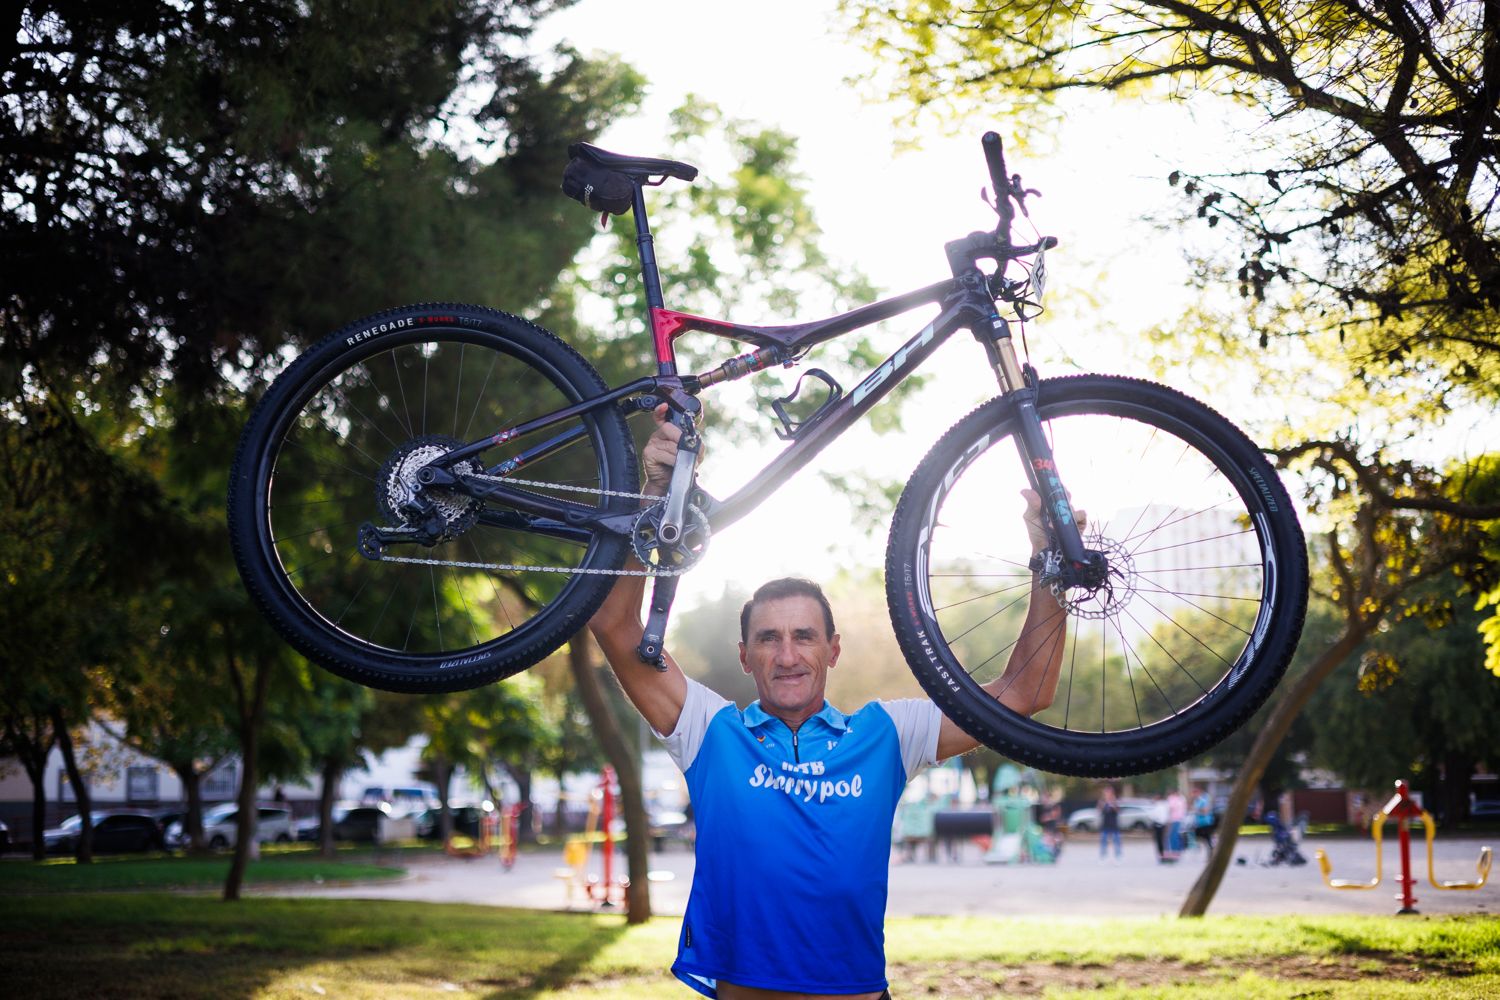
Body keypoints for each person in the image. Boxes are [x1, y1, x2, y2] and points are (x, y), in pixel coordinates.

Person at [588, 405, 1077, 1000]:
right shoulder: (710, 731)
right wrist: (658, 496)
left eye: (804, 637)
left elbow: (1025, 693)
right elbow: (616, 626)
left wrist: (1052, 563)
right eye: (768, 638)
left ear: (832, 650)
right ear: (745, 656)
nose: (787, 654)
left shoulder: (888, 734)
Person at [1097, 784, 1122, 862]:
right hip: (1105, 825)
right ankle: (1103, 857)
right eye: (1106, 792)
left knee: (1117, 842)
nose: (1107, 794)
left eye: (1109, 792)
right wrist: (1103, 804)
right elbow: (1099, 811)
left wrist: (1113, 804)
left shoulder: (1115, 801)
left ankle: (1118, 857)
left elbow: (1118, 811)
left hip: (1114, 825)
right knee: (1103, 842)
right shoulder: (1102, 801)